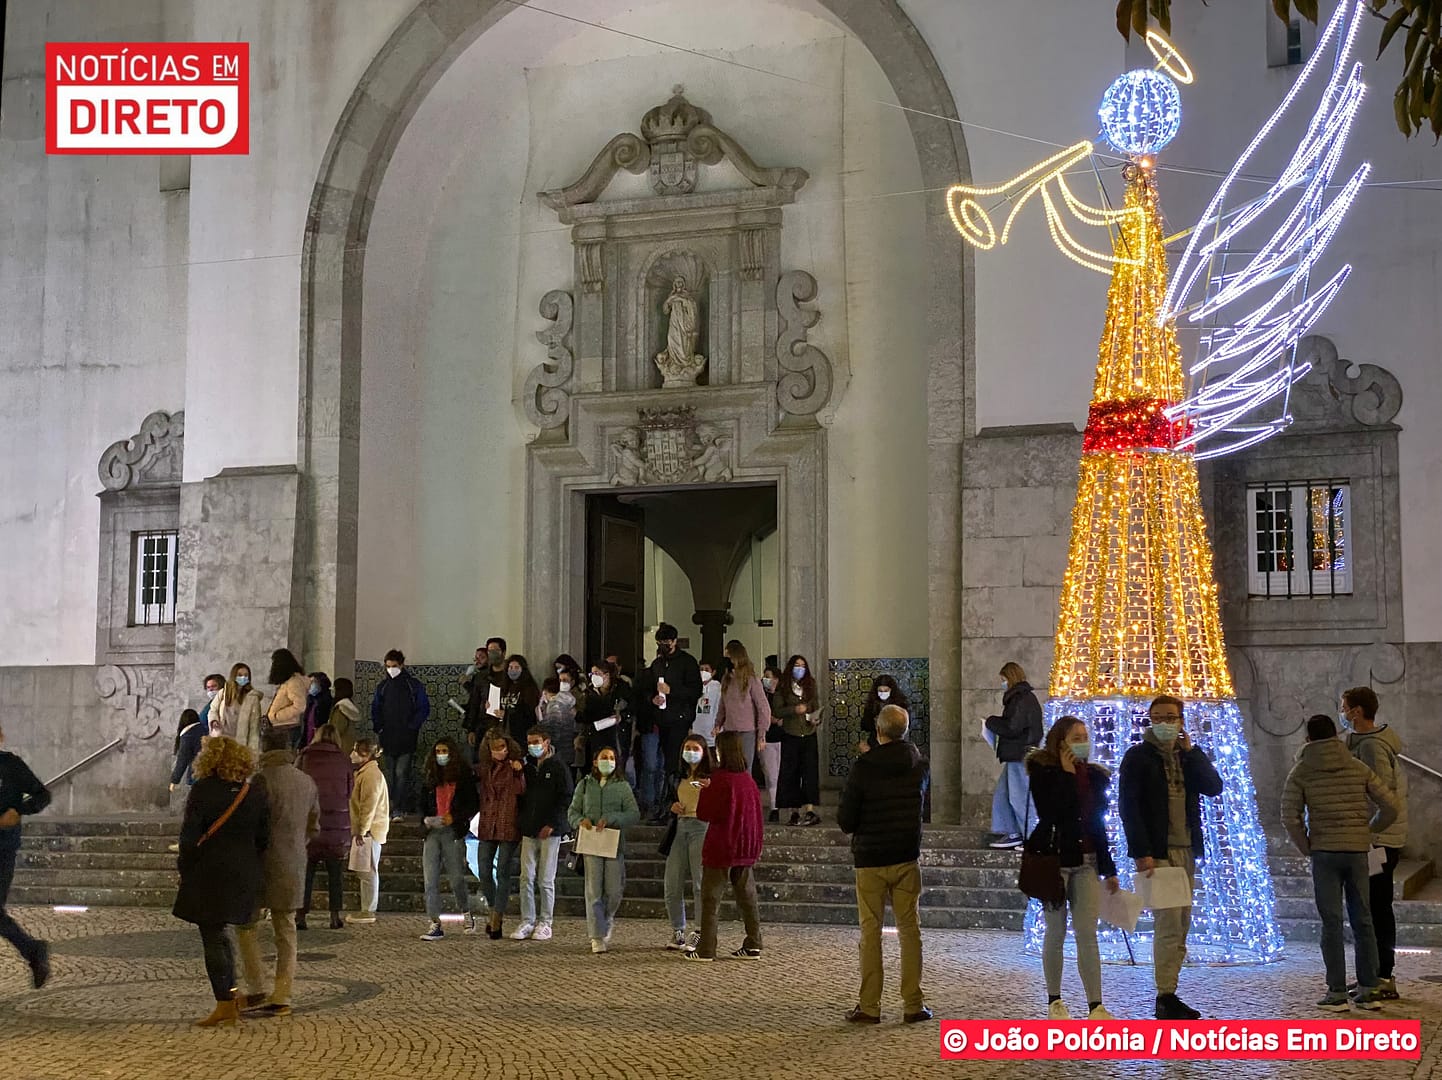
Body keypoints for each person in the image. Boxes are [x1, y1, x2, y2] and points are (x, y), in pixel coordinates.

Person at [1282, 713, 1399, 1012]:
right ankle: (1369, 989)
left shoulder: (1301, 770)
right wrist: (1368, 831)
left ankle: (1336, 993)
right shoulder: (1356, 765)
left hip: (1324, 853)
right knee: (1364, 920)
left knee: (1331, 923)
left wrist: (1306, 846)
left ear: (1308, 739)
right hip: (1357, 853)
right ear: (1335, 735)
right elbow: (1390, 805)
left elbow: (1289, 816)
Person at [1118, 695, 1224, 1021]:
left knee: (1182, 924)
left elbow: (1213, 786)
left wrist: (1193, 753)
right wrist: (1141, 852)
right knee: (1168, 923)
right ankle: (1164, 995)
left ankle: (1170, 991)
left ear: (1181, 722)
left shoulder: (1187, 757)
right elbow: (1129, 806)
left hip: (1186, 850)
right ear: (1149, 720)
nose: (1164, 723)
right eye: (1158, 717)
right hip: (1159, 853)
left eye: (1171, 717)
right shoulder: (1138, 757)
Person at [836, 705, 931, 1022]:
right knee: (910, 930)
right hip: (905, 856)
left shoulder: (864, 768)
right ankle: (913, 1004)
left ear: (878, 732)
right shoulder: (919, 765)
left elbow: (847, 820)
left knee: (871, 931)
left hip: (871, 858)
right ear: (905, 730)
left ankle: (869, 1005)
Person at [172, 736, 269, 1027]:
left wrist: (185, 869)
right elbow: (263, 838)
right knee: (223, 933)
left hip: (210, 873)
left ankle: (225, 1002)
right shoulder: (253, 793)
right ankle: (231, 996)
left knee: (212, 935)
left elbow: (189, 837)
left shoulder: (203, 790)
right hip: (244, 873)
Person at [1026, 716, 1119, 1021]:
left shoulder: (1095, 777)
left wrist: (1109, 868)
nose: (1082, 743)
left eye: (1085, 737)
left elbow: (1097, 824)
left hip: (1087, 861)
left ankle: (1096, 1005)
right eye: (1076, 738)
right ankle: (1055, 1000)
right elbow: (1051, 813)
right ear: (1060, 742)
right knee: (1055, 931)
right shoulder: (1042, 771)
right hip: (1055, 862)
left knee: (1087, 933)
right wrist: (1066, 776)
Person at [235, 727, 319, 1017]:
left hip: (260, 863)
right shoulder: (306, 781)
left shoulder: (260, 780)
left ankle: (256, 984)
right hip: (293, 862)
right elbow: (314, 825)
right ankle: (283, 994)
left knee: (246, 925)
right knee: (286, 930)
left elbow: (251, 823)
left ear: (264, 747)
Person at [1343, 685, 1408, 1001]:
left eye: (1344, 707)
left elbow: (1383, 794)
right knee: (1370, 907)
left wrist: (1368, 833)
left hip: (1377, 841)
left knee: (1376, 909)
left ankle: (1382, 976)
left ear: (1356, 711)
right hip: (1377, 838)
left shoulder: (1371, 746)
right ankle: (1371, 974)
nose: (1342, 713)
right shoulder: (1367, 743)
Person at [683, 731, 764, 962]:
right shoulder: (748, 781)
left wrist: (706, 790)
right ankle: (754, 943)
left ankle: (706, 949)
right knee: (747, 896)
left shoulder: (720, 780)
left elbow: (705, 812)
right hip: (745, 846)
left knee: (711, 898)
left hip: (722, 846)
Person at [568, 746, 641, 954]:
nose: (607, 761)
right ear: (595, 761)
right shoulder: (584, 785)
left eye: (611, 758)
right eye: (603, 757)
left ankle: (607, 918)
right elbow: (572, 811)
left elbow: (633, 813)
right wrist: (580, 820)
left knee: (614, 890)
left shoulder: (622, 786)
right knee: (593, 891)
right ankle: (597, 935)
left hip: (613, 844)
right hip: (591, 844)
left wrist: (612, 818)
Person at [0, 723, 53, 989]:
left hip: (2, 848)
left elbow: (42, 795)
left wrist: (19, 810)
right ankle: (33, 951)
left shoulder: (11, 766)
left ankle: (34, 951)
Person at [636, 624, 702, 823]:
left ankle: (673, 805)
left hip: (679, 720)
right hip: (661, 719)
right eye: (660, 643)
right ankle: (661, 805)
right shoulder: (657, 664)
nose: (663, 646)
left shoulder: (687, 662)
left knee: (674, 764)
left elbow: (695, 691)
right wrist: (653, 699)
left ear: (674, 641)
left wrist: (672, 691)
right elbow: (648, 688)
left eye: (666, 643)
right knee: (662, 765)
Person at [514, 727, 574, 941]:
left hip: (550, 831)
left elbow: (566, 797)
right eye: (530, 742)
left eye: (536, 741)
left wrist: (553, 823)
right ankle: (527, 920)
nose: (533, 746)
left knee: (546, 878)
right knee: (526, 877)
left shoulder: (558, 766)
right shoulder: (529, 767)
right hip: (529, 829)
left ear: (547, 742)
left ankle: (546, 922)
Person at [419, 736, 481, 942]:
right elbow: (422, 805)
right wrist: (426, 820)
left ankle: (466, 912)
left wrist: (455, 817)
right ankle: (435, 922)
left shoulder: (463, 778)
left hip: (453, 832)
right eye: (437, 752)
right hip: (432, 832)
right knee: (430, 880)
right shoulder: (430, 778)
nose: (441, 755)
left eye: (444, 751)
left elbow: (472, 803)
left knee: (456, 878)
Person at [296, 722, 353, 931]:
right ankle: (334, 916)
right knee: (335, 873)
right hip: (337, 824)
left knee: (306, 872)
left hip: (310, 820)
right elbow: (349, 789)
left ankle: (301, 915)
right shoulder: (343, 760)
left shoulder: (305, 757)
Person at [984, 661, 1043, 849]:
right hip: (1018, 754)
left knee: (1020, 797)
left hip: (1020, 755)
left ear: (1010, 678)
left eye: (1003, 679)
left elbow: (1012, 727)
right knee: (1003, 794)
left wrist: (991, 722)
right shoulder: (1024, 698)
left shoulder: (1020, 699)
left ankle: (1031, 837)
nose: (1002, 683)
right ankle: (1012, 832)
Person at [474, 728, 527, 939]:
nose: (499, 751)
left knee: (503, 871)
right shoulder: (485, 768)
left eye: (502, 747)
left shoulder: (515, 766)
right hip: (488, 824)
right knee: (484, 869)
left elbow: (521, 790)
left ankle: (497, 916)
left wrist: (518, 772)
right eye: (495, 748)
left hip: (508, 823)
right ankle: (493, 907)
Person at [369, 648, 431, 818]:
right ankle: (388, 807)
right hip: (387, 737)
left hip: (406, 738)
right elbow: (376, 708)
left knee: (402, 773)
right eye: (388, 666)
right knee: (388, 774)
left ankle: (399, 808)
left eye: (394, 666)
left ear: (402, 665)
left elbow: (423, 708)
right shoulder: (383, 687)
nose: (391, 669)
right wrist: (379, 727)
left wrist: (412, 726)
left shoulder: (413, 685)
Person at [664, 735, 712, 951]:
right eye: (687, 748)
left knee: (699, 882)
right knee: (672, 882)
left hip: (701, 826)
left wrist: (710, 789)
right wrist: (671, 806)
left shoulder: (711, 777)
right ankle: (677, 930)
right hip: (680, 827)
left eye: (695, 748)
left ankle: (700, 931)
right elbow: (667, 798)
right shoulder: (677, 776)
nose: (690, 752)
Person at [774, 654, 822, 827]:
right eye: (797, 665)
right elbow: (777, 710)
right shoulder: (783, 686)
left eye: (802, 666)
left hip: (808, 733)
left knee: (809, 772)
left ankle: (810, 810)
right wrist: (794, 710)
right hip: (791, 734)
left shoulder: (811, 684)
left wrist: (815, 717)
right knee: (791, 773)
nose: (800, 669)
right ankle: (793, 811)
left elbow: (816, 704)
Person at [346, 739, 389, 924]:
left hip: (370, 831)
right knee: (365, 870)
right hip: (368, 830)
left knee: (368, 871)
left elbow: (368, 805)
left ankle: (368, 910)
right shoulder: (367, 773)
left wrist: (362, 830)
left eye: (356, 751)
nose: (352, 754)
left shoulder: (371, 775)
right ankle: (367, 908)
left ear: (365, 754)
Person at [714, 641, 771, 772]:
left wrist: (761, 734)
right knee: (728, 767)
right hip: (729, 731)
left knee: (745, 767)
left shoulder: (751, 680)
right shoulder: (726, 679)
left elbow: (763, 707)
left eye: (728, 657)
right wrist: (718, 723)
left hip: (746, 732)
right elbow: (723, 705)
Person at [582, 661, 632, 778]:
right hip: (596, 736)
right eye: (591, 674)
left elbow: (632, 708)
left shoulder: (621, 689)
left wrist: (622, 716)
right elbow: (587, 716)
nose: (593, 676)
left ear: (607, 675)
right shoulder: (590, 692)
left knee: (617, 769)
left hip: (616, 736)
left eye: (597, 673)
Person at [462, 638, 509, 756]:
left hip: (504, 727)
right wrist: (471, 729)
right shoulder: (481, 677)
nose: (492, 654)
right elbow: (474, 703)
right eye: (489, 651)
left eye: (495, 650)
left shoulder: (510, 676)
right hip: (483, 726)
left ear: (503, 652)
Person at [210, 662, 262, 750]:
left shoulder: (252, 698)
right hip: (222, 738)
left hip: (240, 742)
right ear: (234, 676)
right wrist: (214, 720)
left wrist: (252, 750)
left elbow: (254, 727)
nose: (243, 678)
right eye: (240, 675)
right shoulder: (223, 693)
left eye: (246, 675)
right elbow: (213, 709)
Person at [493, 654, 542, 747]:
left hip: (521, 733)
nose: (513, 670)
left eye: (516, 667)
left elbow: (528, 712)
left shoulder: (529, 688)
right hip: (504, 731)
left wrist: (507, 714)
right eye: (510, 667)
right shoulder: (505, 686)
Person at [266, 648, 310, 747]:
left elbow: (300, 706)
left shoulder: (293, 682)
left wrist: (277, 716)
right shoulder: (290, 681)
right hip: (285, 726)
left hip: (287, 727)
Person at [858, 675, 910, 753]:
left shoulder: (900, 704)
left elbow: (905, 725)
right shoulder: (872, 704)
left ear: (891, 690)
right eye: (880, 690)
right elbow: (865, 725)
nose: (883, 693)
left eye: (886, 690)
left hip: (896, 742)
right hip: (876, 742)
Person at [758, 666, 784, 820]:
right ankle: (774, 807)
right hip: (767, 739)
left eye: (768, 676)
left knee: (781, 774)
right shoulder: (762, 695)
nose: (765, 679)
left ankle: (782, 804)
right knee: (771, 775)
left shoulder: (783, 695)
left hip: (783, 738)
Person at [538, 674, 579, 763]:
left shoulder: (554, 706)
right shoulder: (567, 704)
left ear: (545, 692)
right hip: (568, 750)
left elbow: (553, 731)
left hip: (558, 753)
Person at [170, 709, 206, 793]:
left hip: (196, 774)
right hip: (209, 773)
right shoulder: (205, 730)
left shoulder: (188, 736)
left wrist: (174, 781)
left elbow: (182, 760)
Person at [693, 662, 721, 757]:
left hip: (711, 733)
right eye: (701, 669)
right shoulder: (694, 686)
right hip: (696, 731)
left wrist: (717, 726)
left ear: (713, 672)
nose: (703, 672)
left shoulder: (718, 688)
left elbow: (719, 709)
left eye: (706, 669)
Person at [327, 677, 359, 755]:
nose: (332, 690)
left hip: (340, 746)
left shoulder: (341, 709)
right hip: (349, 744)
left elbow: (337, 730)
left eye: (334, 688)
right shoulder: (349, 705)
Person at [301, 672, 333, 748]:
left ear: (321, 684)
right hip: (309, 736)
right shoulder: (310, 699)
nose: (309, 685)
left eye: (312, 682)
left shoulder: (327, 701)